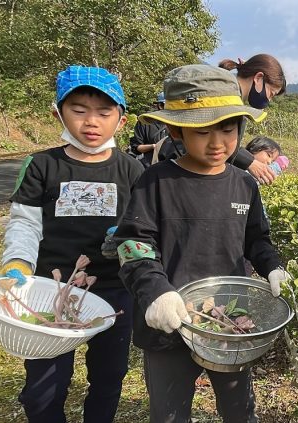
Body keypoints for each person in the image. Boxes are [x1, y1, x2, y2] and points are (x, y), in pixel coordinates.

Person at [113, 64, 289, 422]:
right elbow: (133, 244)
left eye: (227, 129)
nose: (217, 143)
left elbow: (257, 239)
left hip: (230, 323)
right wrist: (155, 291)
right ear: (178, 130)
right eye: (202, 131)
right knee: (169, 412)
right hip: (170, 325)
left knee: (239, 409)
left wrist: (273, 267)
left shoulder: (244, 184)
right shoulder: (156, 182)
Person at [0, 65, 143, 423]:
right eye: (79, 110)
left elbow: (143, 229)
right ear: (58, 112)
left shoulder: (132, 171)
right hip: (50, 289)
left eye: (104, 112)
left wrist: (126, 242)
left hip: (113, 291)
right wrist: (18, 262)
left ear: (121, 121)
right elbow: (25, 223)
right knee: (44, 387)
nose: (91, 121)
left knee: (109, 378)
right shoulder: (41, 165)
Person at [219, 54, 287, 185]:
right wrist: (250, 162)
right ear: (258, 78)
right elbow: (218, 142)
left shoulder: (230, 94)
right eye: (271, 93)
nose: (269, 100)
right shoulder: (227, 100)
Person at [128, 92, 168, 167]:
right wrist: (155, 146)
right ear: (160, 106)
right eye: (169, 106)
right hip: (149, 167)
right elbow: (136, 147)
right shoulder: (145, 122)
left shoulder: (178, 123)